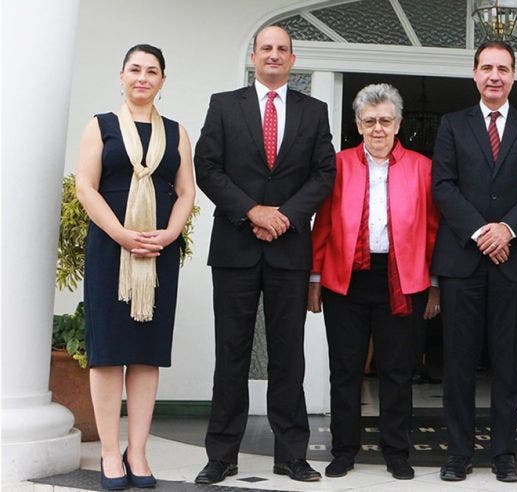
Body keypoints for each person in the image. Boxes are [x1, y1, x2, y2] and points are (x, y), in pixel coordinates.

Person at [193, 25, 336, 484]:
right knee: (231, 354)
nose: (274, 56)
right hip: (235, 247)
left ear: (293, 60)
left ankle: (291, 454)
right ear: (253, 56)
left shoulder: (314, 111)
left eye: (282, 50)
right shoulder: (223, 105)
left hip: (289, 249)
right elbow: (207, 168)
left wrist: (286, 216)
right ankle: (222, 455)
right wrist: (252, 211)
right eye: (266, 49)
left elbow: (323, 174)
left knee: (288, 356)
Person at [432, 41, 517, 483]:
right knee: (459, 362)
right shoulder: (452, 125)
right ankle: (459, 454)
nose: (494, 76)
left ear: (514, 76)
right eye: (487, 68)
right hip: (463, 260)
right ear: (474, 74)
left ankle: (504, 453)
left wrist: (508, 229)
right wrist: (484, 232)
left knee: (508, 363)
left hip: (515, 261)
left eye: (503, 69)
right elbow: (443, 185)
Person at [75, 43, 196, 490]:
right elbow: (87, 189)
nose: (143, 77)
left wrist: (169, 234)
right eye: (135, 69)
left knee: (146, 354)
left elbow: (186, 192)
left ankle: (138, 450)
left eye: (152, 71)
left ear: (163, 80)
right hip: (111, 249)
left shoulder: (178, 132)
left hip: (160, 250)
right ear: (121, 76)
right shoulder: (100, 127)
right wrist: (123, 235)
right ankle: (110, 451)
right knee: (108, 353)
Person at [307, 83, 440, 481]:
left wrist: (434, 283)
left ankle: (397, 451)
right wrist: (314, 277)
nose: (378, 129)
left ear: (398, 124)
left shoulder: (422, 167)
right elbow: (323, 224)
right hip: (345, 279)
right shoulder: (339, 164)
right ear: (358, 125)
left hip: (402, 279)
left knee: (398, 371)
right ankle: (344, 450)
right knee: (344, 369)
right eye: (370, 121)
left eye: (385, 121)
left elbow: (433, 229)